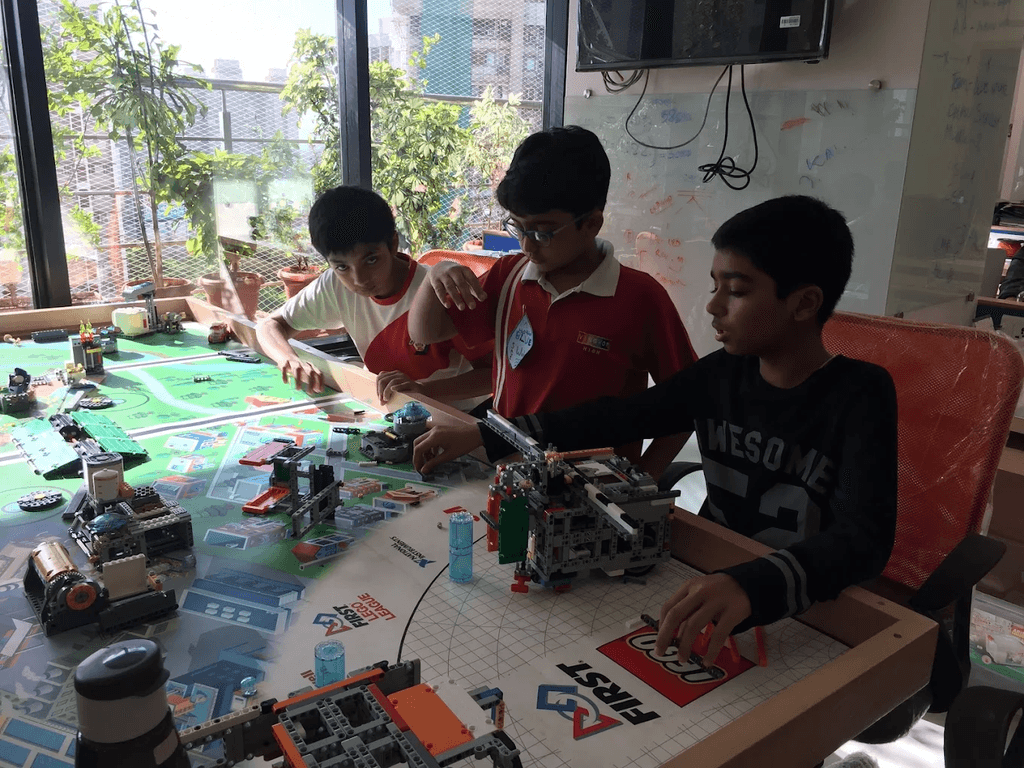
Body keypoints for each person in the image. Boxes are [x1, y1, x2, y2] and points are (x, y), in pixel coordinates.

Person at [413, 195, 898, 669]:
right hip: (708, 572)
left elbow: (864, 539)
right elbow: (616, 417)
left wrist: (753, 585)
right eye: (714, 286)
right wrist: (488, 432)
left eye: (738, 290)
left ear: (804, 303)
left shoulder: (860, 395)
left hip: (804, 602)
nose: (712, 307)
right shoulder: (720, 375)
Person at [407, 125, 696, 476]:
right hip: (508, 472)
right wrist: (437, 274)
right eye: (518, 227)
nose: (527, 246)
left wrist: (641, 480)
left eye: (542, 232)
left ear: (591, 224)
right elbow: (425, 331)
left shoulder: (640, 299)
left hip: (592, 490)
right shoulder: (511, 276)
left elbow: (688, 406)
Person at [257, 186, 492, 409]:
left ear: (392, 244)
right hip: (389, 413)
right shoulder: (334, 284)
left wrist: (423, 390)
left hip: (455, 421)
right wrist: (288, 359)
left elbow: (492, 374)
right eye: (342, 267)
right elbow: (270, 325)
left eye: (370, 260)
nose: (358, 279)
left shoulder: (441, 291)